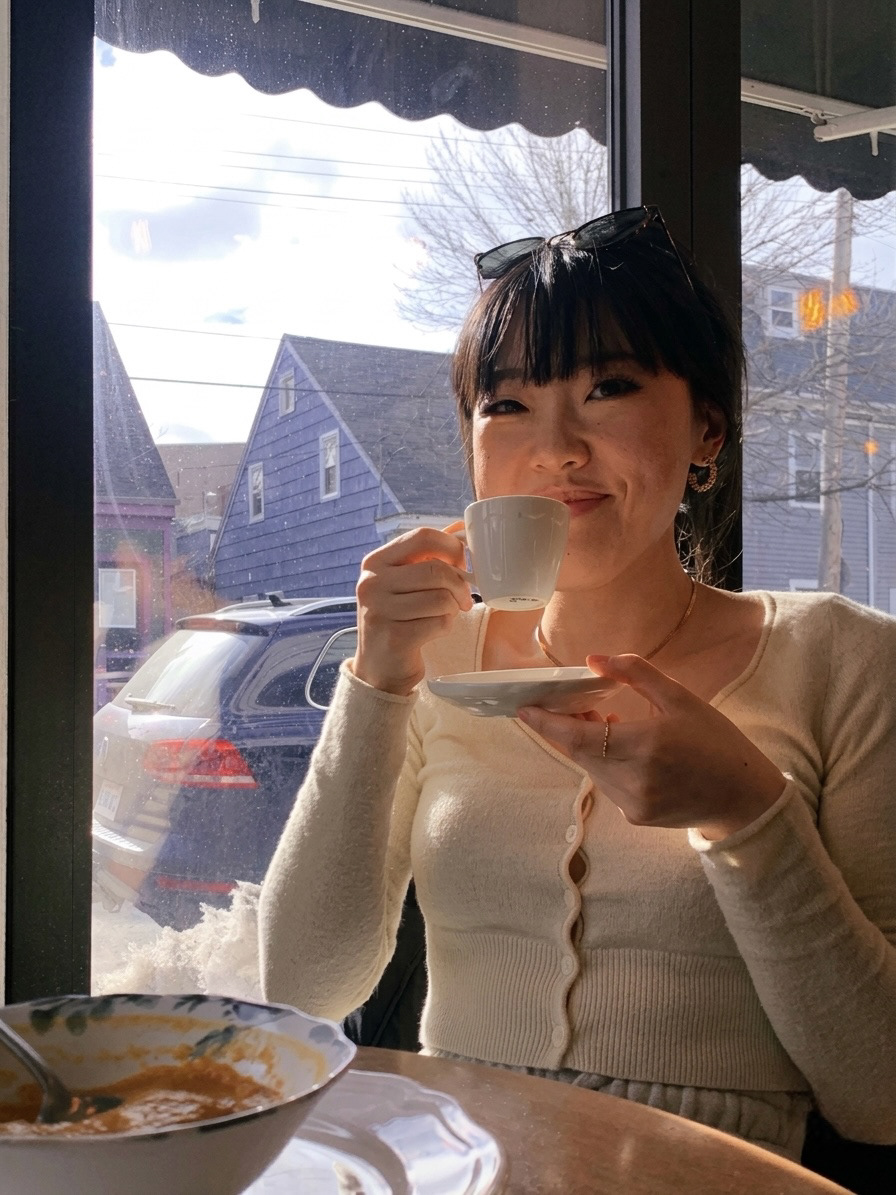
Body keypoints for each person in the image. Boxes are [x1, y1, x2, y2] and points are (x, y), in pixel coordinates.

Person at [258, 206, 896, 1163]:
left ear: (707, 427)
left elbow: (882, 1100)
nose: (555, 447)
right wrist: (377, 679)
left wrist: (748, 813)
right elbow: (303, 989)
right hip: (458, 1164)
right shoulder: (433, 663)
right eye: (506, 405)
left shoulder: (843, 661)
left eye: (610, 387)